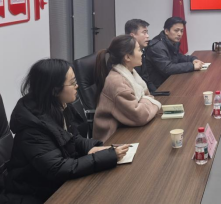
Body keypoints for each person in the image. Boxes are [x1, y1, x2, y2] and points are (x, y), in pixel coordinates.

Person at [2, 59, 128, 203]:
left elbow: (72, 138)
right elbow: (58, 168)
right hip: (34, 193)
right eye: (73, 83)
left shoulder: (57, 106)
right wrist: (105, 157)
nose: (77, 86)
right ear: (54, 90)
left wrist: (94, 149)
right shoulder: (32, 128)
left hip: (53, 184)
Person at [93, 35, 162, 142]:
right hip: (113, 138)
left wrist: (145, 100)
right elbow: (139, 115)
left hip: (127, 128)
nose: (142, 53)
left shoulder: (130, 72)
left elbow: (146, 97)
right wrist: (148, 101)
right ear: (127, 57)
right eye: (139, 50)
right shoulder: (118, 83)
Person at [143, 16, 204, 91]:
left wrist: (193, 59)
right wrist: (192, 66)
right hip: (160, 87)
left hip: (170, 80)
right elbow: (167, 68)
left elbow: (177, 57)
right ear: (166, 31)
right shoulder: (157, 46)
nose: (180, 34)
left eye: (181, 31)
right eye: (176, 30)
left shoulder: (170, 41)